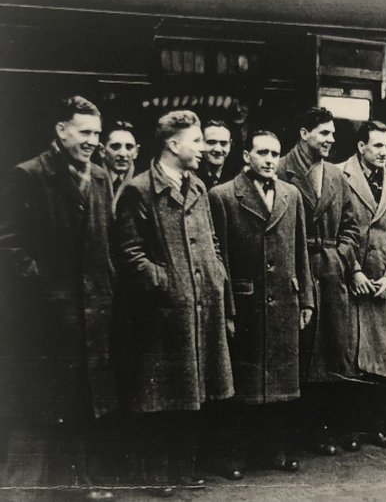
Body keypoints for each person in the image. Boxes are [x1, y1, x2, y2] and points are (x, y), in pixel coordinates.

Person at [0, 96, 118, 499]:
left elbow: (104, 245)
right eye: (84, 132)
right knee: (42, 406)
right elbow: (9, 246)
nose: (93, 141)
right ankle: (26, 491)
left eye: (97, 134)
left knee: (84, 402)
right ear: (61, 130)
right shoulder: (30, 175)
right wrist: (46, 291)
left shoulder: (101, 177)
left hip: (92, 312)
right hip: (46, 317)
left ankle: (76, 485)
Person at [115, 110, 235, 494]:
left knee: (193, 390)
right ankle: (156, 474)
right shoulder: (139, 189)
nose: (203, 148)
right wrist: (163, 282)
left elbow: (211, 240)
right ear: (173, 144)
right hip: (164, 310)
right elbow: (130, 252)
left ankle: (182, 469)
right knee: (162, 395)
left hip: (201, 304)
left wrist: (215, 274)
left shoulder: (196, 186)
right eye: (197, 141)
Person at [208, 130, 314, 478]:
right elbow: (218, 255)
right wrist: (227, 309)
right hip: (245, 304)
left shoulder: (291, 194)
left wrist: (306, 300)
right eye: (262, 153)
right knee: (243, 383)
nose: (270, 160)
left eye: (275, 153)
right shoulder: (223, 196)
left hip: (285, 301)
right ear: (246, 157)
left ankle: (274, 451)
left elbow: (301, 251)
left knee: (281, 383)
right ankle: (232, 455)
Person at [276, 107, 360, 455]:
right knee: (294, 354)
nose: (331, 139)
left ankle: (320, 431)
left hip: (328, 274)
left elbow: (352, 226)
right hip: (293, 273)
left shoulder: (337, 176)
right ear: (303, 132)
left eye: (333, 134)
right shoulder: (280, 169)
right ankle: (290, 435)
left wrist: (339, 256)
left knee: (328, 354)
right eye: (324, 133)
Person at [337, 120, 386, 451]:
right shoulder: (339, 176)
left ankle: (374, 427)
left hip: (381, 285)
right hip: (350, 283)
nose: (384, 152)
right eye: (377, 146)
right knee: (350, 355)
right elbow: (336, 232)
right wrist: (353, 271)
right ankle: (348, 428)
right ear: (361, 147)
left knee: (380, 357)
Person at [99, 120, 140, 215]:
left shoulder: (143, 183)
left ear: (136, 152)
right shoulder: (92, 180)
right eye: (115, 146)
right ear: (102, 150)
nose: (122, 154)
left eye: (129, 147)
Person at [196, 120, 234, 190]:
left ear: (230, 144)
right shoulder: (192, 175)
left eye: (223, 143)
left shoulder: (236, 176)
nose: (218, 149)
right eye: (211, 142)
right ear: (201, 142)